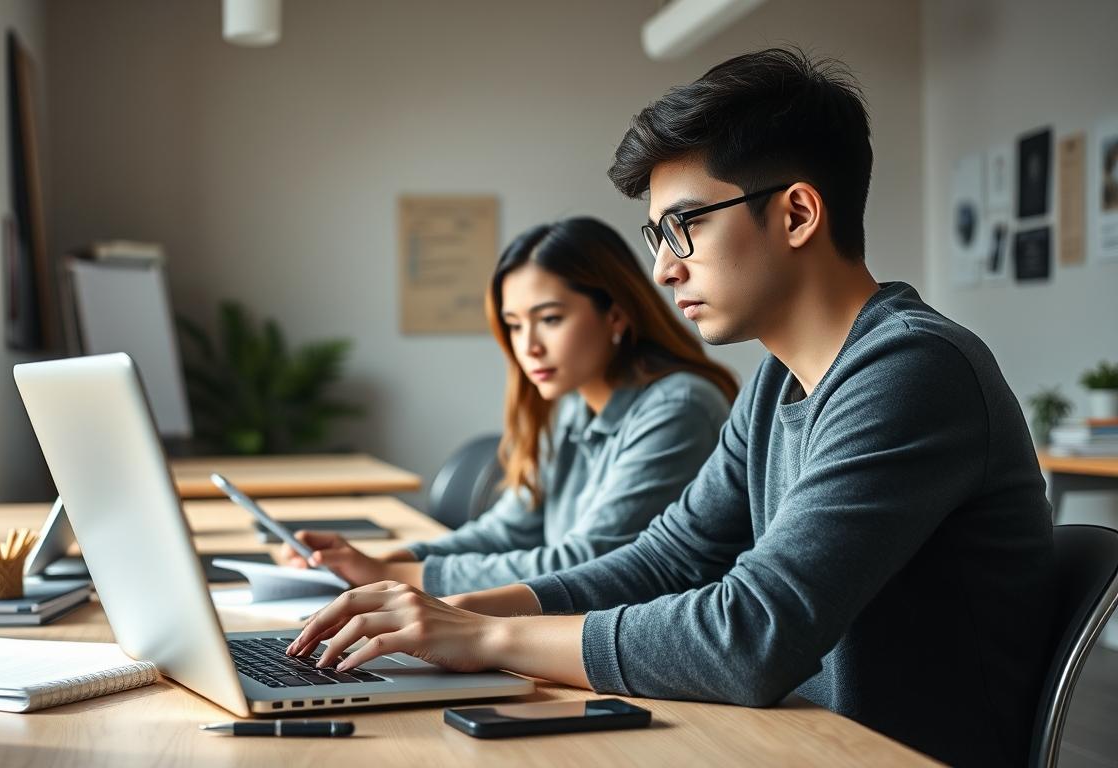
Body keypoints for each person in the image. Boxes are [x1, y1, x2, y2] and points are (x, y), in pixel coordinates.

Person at [286, 48, 1054, 767]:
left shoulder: (912, 370)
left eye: (684, 226)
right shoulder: (777, 383)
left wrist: (486, 638)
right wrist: (451, 612)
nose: (661, 268)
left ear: (796, 214)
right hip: (788, 740)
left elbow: (750, 636)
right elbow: (668, 560)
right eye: (656, 234)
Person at [282, 216, 737, 595]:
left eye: (550, 319)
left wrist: (394, 575)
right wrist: (386, 560)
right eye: (514, 325)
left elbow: (587, 560)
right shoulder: (574, 405)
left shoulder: (680, 407)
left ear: (616, 315)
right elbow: (509, 530)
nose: (528, 347)